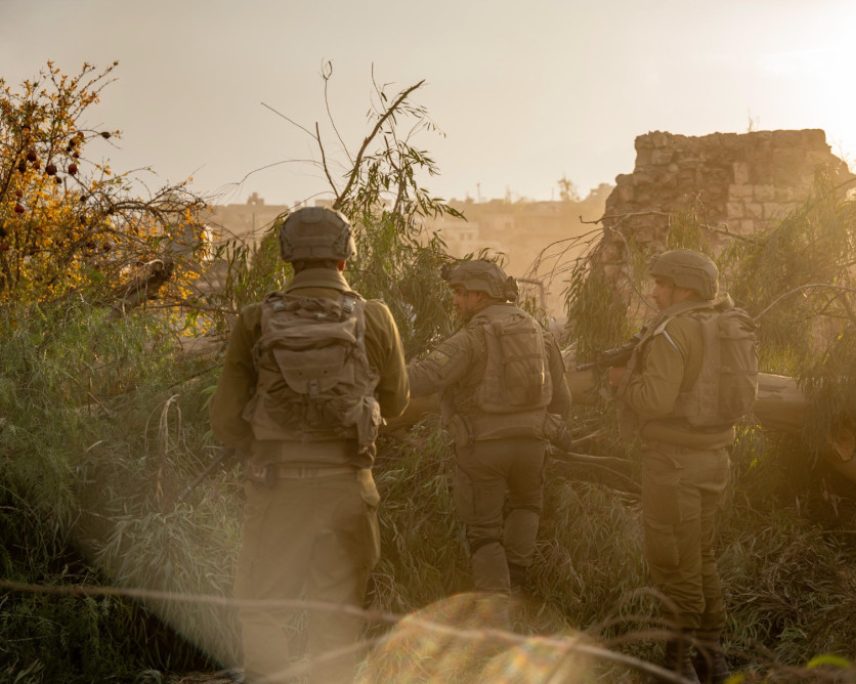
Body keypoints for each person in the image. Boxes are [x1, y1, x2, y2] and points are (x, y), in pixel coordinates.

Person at [210, 206, 409, 684]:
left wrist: (260, 445)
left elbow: (223, 420)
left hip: (278, 489)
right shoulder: (376, 318)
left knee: (261, 607)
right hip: (348, 489)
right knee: (336, 614)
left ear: (288, 257)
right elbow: (398, 402)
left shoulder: (256, 320)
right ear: (345, 257)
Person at [608, 249, 757, 684]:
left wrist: (623, 385)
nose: (654, 292)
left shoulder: (675, 331)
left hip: (673, 465)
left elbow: (654, 400)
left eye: (661, 284)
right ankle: (712, 663)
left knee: (674, 565)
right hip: (713, 459)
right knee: (701, 558)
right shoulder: (721, 323)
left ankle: (673, 667)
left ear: (685, 288)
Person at [407, 259, 571, 601]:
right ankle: (517, 587)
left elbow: (425, 378)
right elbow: (562, 394)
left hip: (483, 448)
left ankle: (496, 614)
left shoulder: (472, 335)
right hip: (533, 447)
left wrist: (377, 373)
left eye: (459, 293)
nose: (455, 300)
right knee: (527, 507)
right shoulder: (537, 329)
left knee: (484, 534)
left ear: (479, 295)